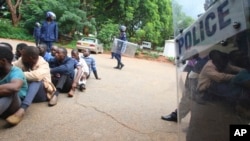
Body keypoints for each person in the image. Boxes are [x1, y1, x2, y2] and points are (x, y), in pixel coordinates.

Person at [7, 46, 57, 125]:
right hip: (26, 91)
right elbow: (12, 67)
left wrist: (18, 74)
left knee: (37, 80)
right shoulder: (23, 60)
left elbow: (36, 76)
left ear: (30, 58)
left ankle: (23, 109)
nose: (21, 57)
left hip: (42, 94)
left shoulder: (44, 64)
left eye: (23, 56)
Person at [0, 46, 28, 125]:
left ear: (2, 61)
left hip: (13, 106)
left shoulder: (16, 72)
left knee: (10, 91)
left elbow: (15, 87)